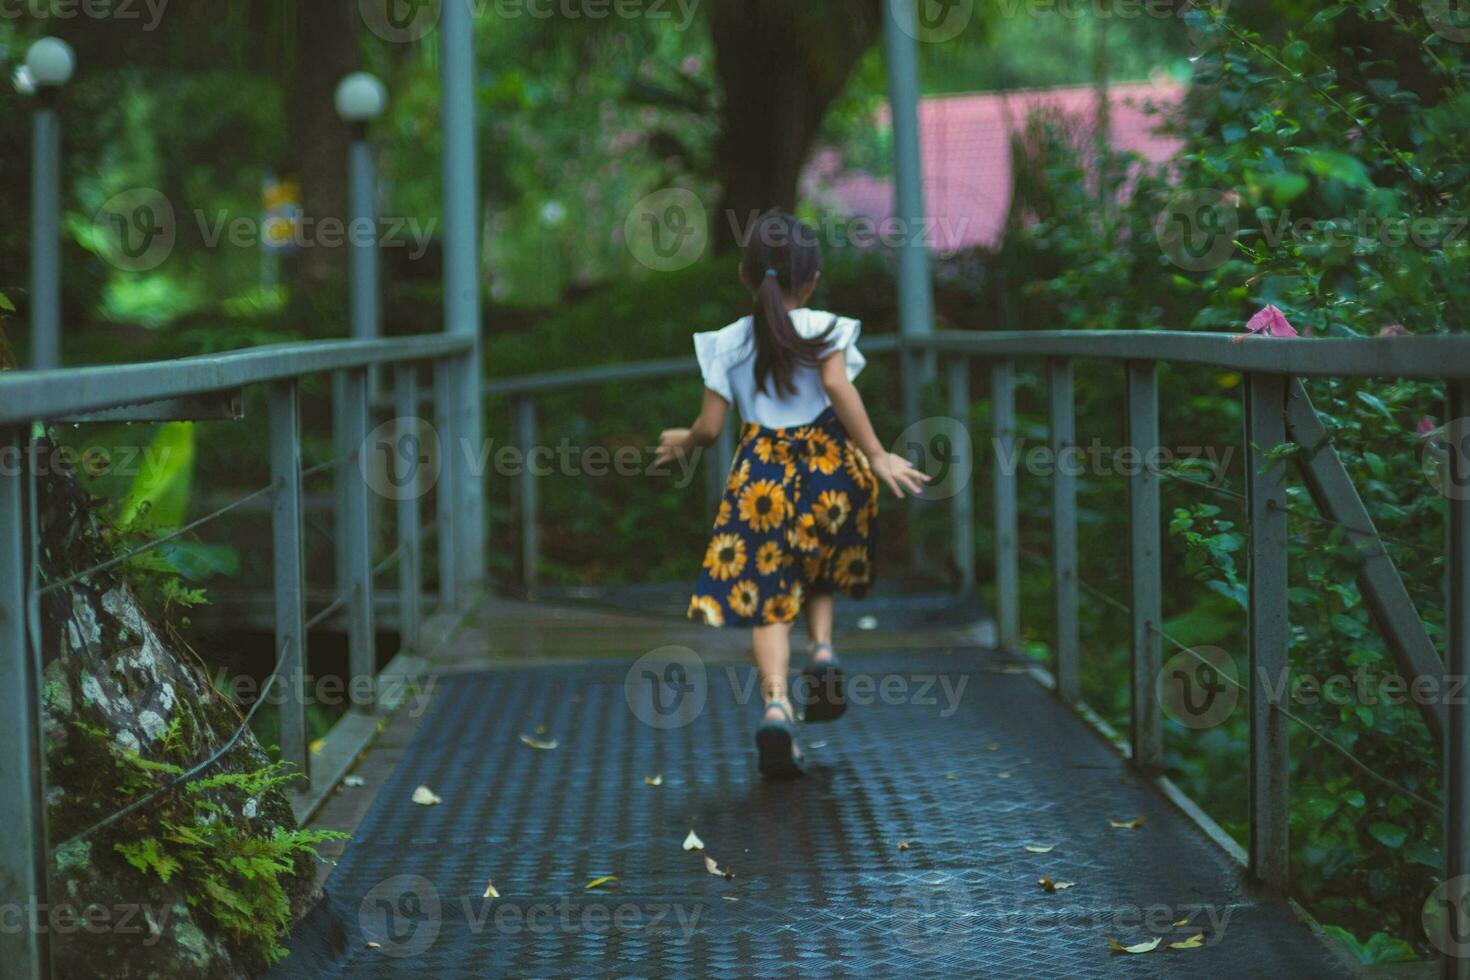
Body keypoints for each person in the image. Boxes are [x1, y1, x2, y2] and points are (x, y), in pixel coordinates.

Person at [656, 211, 929, 779]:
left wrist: (683, 442)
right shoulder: (828, 327)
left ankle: (777, 704)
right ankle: (824, 650)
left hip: (763, 478)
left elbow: (708, 429)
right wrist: (877, 453)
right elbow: (835, 385)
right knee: (821, 562)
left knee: (769, 592)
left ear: (744, 275)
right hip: (830, 467)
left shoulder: (727, 342)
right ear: (815, 277)